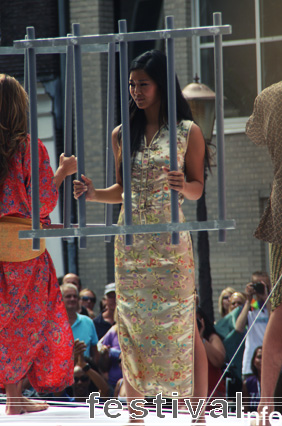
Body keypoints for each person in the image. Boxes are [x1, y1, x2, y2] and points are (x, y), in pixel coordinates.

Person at [74, 49, 207, 423]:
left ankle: (195, 411)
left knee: (184, 322)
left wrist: (184, 185)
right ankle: (134, 414)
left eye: (143, 84)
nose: (136, 91)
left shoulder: (187, 131)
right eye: (132, 85)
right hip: (131, 246)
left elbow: (198, 187)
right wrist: (94, 192)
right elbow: (123, 190)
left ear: (161, 85)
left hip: (171, 243)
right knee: (130, 325)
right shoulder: (122, 133)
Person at [0, 74, 76, 415]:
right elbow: (43, 202)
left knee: (5, 322)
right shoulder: (30, 147)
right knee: (30, 321)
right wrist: (61, 173)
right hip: (25, 250)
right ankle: (17, 398)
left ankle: (14, 396)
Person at [246, 81, 282, 425]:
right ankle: (266, 404)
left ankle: (266, 404)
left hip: (280, 199)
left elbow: (254, 132)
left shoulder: (268, 96)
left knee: (281, 309)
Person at [235, 272, 270, 379]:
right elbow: (238, 328)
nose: (260, 288)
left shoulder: (273, 306)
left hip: (270, 361)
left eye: (263, 285)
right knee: (245, 393)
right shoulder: (250, 307)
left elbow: (275, 320)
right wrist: (248, 300)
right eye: (257, 285)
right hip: (251, 363)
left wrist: (266, 297)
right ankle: (239, 398)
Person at [61, 283, 99, 365]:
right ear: (60, 299)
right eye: (68, 296)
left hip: (85, 373)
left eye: (75, 296)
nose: (72, 299)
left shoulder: (88, 322)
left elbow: (95, 353)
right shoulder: (53, 324)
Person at [242, 346, 262, 413]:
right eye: (259, 357)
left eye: (265, 357)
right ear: (254, 361)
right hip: (251, 419)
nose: (262, 360)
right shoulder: (247, 383)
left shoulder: (277, 383)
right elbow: (244, 410)